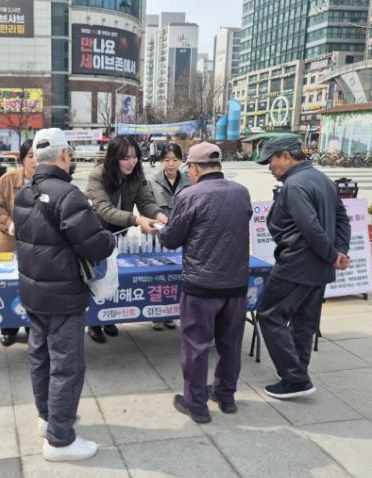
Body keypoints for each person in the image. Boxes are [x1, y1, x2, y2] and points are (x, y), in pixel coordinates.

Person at [13, 128, 116, 461]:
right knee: (66, 366)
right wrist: (108, 237)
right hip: (63, 297)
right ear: (63, 155)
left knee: (41, 359)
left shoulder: (24, 192)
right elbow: (95, 244)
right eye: (69, 154)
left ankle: (48, 420)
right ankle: (60, 440)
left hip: (33, 293)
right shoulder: (68, 195)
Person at [158, 142, 252, 423]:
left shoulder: (190, 195)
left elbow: (171, 238)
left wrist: (162, 228)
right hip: (236, 284)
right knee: (230, 344)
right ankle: (226, 395)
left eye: (189, 168)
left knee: (196, 346)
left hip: (202, 285)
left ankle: (196, 404)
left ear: (195, 169)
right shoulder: (241, 192)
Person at [256, 136, 351, 399]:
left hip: (297, 264)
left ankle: (295, 379)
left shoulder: (295, 185)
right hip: (318, 266)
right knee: (304, 321)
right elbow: (342, 219)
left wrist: (333, 255)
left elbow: (310, 227)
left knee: (269, 315)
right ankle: (297, 373)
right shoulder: (323, 179)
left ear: (286, 156)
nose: (269, 167)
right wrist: (339, 252)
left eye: (271, 160)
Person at [86, 136, 168, 343]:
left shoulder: (137, 175)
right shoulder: (97, 175)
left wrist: (158, 215)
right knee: (98, 277)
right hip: (97, 233)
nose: (131, 162)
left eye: (135, 157)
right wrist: (136, 220)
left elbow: (146, 201)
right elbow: (104, 210)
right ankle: (94, 323)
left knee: (114, 276)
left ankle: (109, 318)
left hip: (120, 232)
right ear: (114, 158)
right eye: (125, 158)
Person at [0, 139, 36, 347]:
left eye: (39, 156)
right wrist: (10, 225)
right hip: (7, 246)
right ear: (22, 159)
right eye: (31, 156)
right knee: (7, 289)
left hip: (35, 250)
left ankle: (31, 328)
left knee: (31, 290)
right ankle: (8, 329)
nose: (36, 161)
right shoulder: (7, 180)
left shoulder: (47, 183)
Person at [148, 142, 192, 331]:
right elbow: (147, 205)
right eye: (166, 160)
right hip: (158, 235)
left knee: (177, 275)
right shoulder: (152, 181)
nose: (171, 164)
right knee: (157, 276)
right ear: (161, 161)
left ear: (181, 161)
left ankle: (170, 314)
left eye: (175, 160)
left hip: (182, 235)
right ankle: (156, 314)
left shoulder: (189, 181)